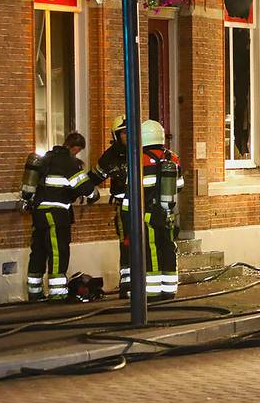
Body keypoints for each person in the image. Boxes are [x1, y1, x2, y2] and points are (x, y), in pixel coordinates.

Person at [25, 133, 105, 301]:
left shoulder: (46, 158)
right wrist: (94, 195)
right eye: (78, 151)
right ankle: (57, 292)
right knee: (58, 251)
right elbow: (83, 186)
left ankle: (35, 291)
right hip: (57, 214)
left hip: (38, 213)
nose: (77, 154)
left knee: (38, 251)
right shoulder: (69, 162)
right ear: (75, 147)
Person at [121, 120, 184, 301]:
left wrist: (127, 218)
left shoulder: (137, 160)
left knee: (151, 250)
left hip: (147, 214)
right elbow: (179, 186)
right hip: (168, 213)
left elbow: (130, 192)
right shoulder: (173, 157)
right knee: (168, 248)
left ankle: (153, 290)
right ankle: (169, 288)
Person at [95, 117, 130, 298]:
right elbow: (95, 176)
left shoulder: (142, 152)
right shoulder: (110, 156)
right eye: (124, 133)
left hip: (145, 207)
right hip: (123, 209)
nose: (128, 136)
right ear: (116, 135)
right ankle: (127, 284)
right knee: (127, 244)